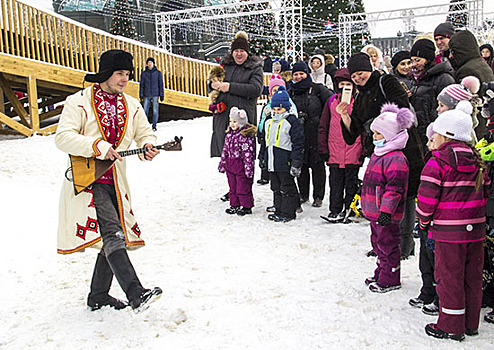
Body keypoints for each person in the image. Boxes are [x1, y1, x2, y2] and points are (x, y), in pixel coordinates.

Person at [55, 49, 162, 313]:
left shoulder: (133, 105)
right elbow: (62, 137)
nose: (125, 79)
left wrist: (148, 145)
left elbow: (145, 132)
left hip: (117, 181)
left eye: (127, 74)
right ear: (106, 74)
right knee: (114, 232)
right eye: (119, 74)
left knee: (111, 235)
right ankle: (136, 293)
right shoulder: (78, 101)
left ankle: (99, 295)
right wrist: (97, 145)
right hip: (88, 180)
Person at [339, 52, 424, 260]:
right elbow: (353, 134)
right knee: (383, 198)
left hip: (404, 149)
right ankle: (384, 243)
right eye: (354, 76)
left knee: (405, 195)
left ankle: (405, 245)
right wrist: (344, 115)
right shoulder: (360, 96)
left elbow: (404, 114)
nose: (358, 78)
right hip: (379, 154)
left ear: (369, 69)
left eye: (360, 73)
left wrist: (379, 124)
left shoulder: (387, 82)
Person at [417, 107, 490, 341]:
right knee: (472, 275)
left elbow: (427, 198)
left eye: (435, 135)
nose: (432, 140)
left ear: (446, 136)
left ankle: (450, 324)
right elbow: (485, 192)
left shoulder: (438, 162)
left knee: (449, 276)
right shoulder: (477, 160)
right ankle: (470, 322)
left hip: (449, 231)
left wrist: (424, 221)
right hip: (475, 229)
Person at [361, 104, 413, 293]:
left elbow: (394, 189)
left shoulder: (396, 158)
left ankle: (390, 277)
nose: (374, 138)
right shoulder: (380, 153)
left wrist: (386, 211)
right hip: (376, 211)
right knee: (377, 243)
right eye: (374, 133)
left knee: (388, 244)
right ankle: (381, 271)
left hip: (386, 214)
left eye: (379, 134)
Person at [209, 31, 264, 158]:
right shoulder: (226, 65)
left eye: (242, 51)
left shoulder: (254, 68)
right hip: (224, 118)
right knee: (227, 155)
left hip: (242, 118)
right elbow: (212, 82)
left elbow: (256, 89)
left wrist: (230, 87)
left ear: (247, 52)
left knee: (242, 158)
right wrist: (212, 85)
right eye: (236, 51)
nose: (239, 54)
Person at [318, 68, 362, 222]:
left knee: (351, 183)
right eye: (342, 84)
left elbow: (361, 127)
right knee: (335, 183)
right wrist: (323, 147)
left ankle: (349, 209)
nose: (345, 88)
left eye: (348, 84)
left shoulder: (358, 101)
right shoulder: (331, 101)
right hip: (334, 150)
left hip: (353, 149)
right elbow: (323, 125)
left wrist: (364, 149)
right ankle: (335, 209)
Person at [289, 61, 333, 207]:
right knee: (301, 165)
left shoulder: (317, 89)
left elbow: (332, 101)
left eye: (301, 73)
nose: (299, 77)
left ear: (307, 74)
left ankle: (318, 196)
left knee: (317, 166)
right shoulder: (291, 92)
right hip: (298, 136)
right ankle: (303, 194)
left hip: (316, 134)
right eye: (295, 74)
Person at [259, 86, 304, 222]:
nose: (276, 112)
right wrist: (262, 158)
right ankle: (278, 209)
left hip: (285, 161)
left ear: (286, 108)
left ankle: (288, 212)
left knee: (287, 187)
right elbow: (264, 142)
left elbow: (298, 143)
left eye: (279, 109)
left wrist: (296, 162)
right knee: (275, 187)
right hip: (272, 159)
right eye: (274, 109)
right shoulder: (268, 122)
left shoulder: (291, 122)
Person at [409, 38, 455, 149]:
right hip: (420, 134)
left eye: (418, 60)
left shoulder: (443, 78)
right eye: (412, 61)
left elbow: (450, 110)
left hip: (436, 134)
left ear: (428, 60)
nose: (414, 64)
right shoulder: (415, 79)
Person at [448, 30, 494, 139]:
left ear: (461, 51)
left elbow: (464, 105)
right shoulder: (482, 64)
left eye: (453, 52)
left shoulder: (467, 70)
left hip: (475, 128)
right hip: (485, 123)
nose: (450, 56)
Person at [257, 74, 298, 188]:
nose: (275, 92)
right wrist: (260, 132)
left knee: (285, 182)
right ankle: (278, 203)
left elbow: (294, 122)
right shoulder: (268, 107)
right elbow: (262, 122)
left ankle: (290, 204)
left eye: (277, 89)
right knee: (274, 180)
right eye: (273, 90)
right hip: (270, 141)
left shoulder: (288, 105)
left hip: (283, 147)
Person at [218, 107, 256, 216]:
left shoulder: (245, 137)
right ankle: (234, 205)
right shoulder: (229, 135)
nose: (232, 124)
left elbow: (248, 154)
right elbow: (225, 150)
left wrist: (248, 169)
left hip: (241, 165)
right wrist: (222, 163)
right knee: (232, 187)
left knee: (242, 187)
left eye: (234, 122)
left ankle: (246, 206)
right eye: (230, 121)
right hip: (230, 164)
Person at [139, 57, 164, 131]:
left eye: (151, 62)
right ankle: (145, 126)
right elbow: (142, 85)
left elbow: (160, 84)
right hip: (146, 94)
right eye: (148, 62)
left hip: (155, 94)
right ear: (147, 64)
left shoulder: (158, 73)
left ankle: (154, 125)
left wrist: (161, 94)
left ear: (153, 64)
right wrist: (141, 94)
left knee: (155, 111)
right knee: (145, 111)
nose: (150, 64)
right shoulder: (144, 73)